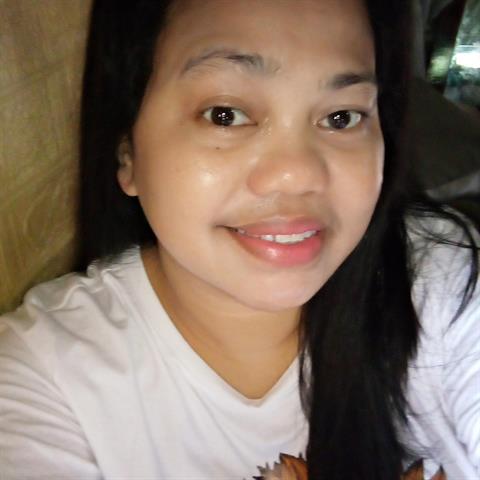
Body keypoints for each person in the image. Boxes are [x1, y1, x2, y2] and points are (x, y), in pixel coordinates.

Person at [0, 0, 478, 479]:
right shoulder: (45, 380)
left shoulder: (440, 281)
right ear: (128, 153)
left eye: (342, 117)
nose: (297, 174)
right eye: (225, 115)